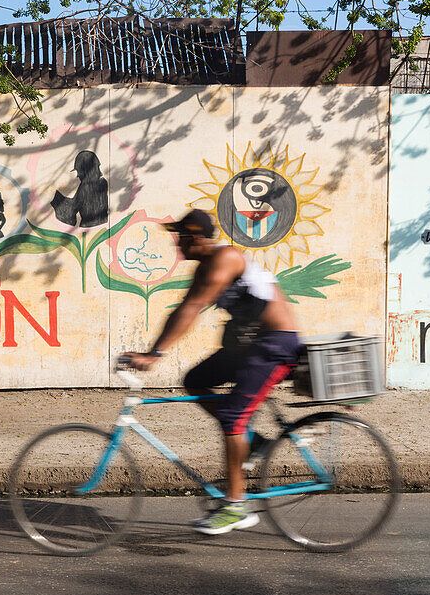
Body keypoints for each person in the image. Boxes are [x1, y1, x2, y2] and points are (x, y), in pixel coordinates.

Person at [123, 208, 301, 535]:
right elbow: (183, 307)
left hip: (275, 344)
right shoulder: (205, 267)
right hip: (249, 346)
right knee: (196, 381)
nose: (177, 242)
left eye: (182, 236)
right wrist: (152, 351)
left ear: (198, 238)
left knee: (233, 415)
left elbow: (192, 308)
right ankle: (253, 442)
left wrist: (155, 354)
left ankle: (236, 506)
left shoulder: (226, 258)